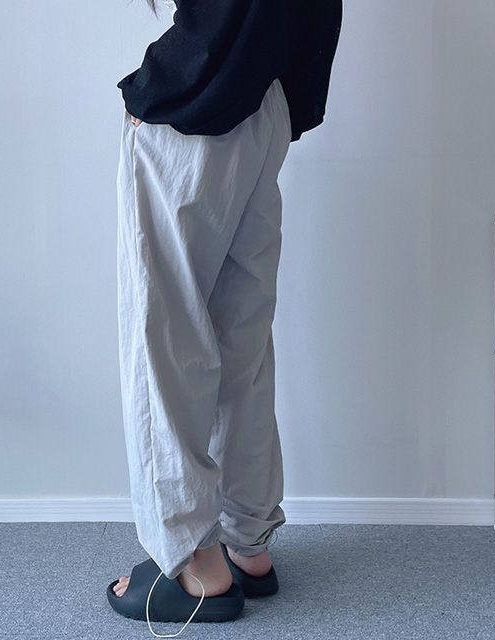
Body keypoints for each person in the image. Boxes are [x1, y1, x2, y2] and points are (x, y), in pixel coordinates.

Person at [108, 0, 342, 634]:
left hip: (199, 107)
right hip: (264, 99)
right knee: (241, 339)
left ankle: (192, 563)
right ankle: (248, 544)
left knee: (167, 340)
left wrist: (161, 85)